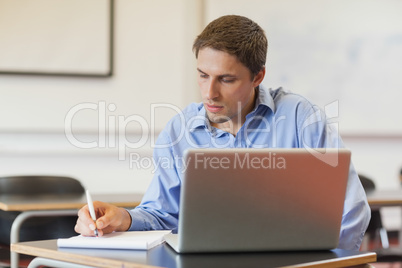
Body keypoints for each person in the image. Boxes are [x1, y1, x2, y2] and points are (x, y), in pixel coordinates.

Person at [75, 15, 370, 251]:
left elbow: (351, 210)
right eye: (203, 75)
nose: (209, 93)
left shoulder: (300, 118)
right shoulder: (180, 130)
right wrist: (123, 218)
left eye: (226, 79)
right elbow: (162, 214)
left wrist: (324, 263)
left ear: (258, 76)